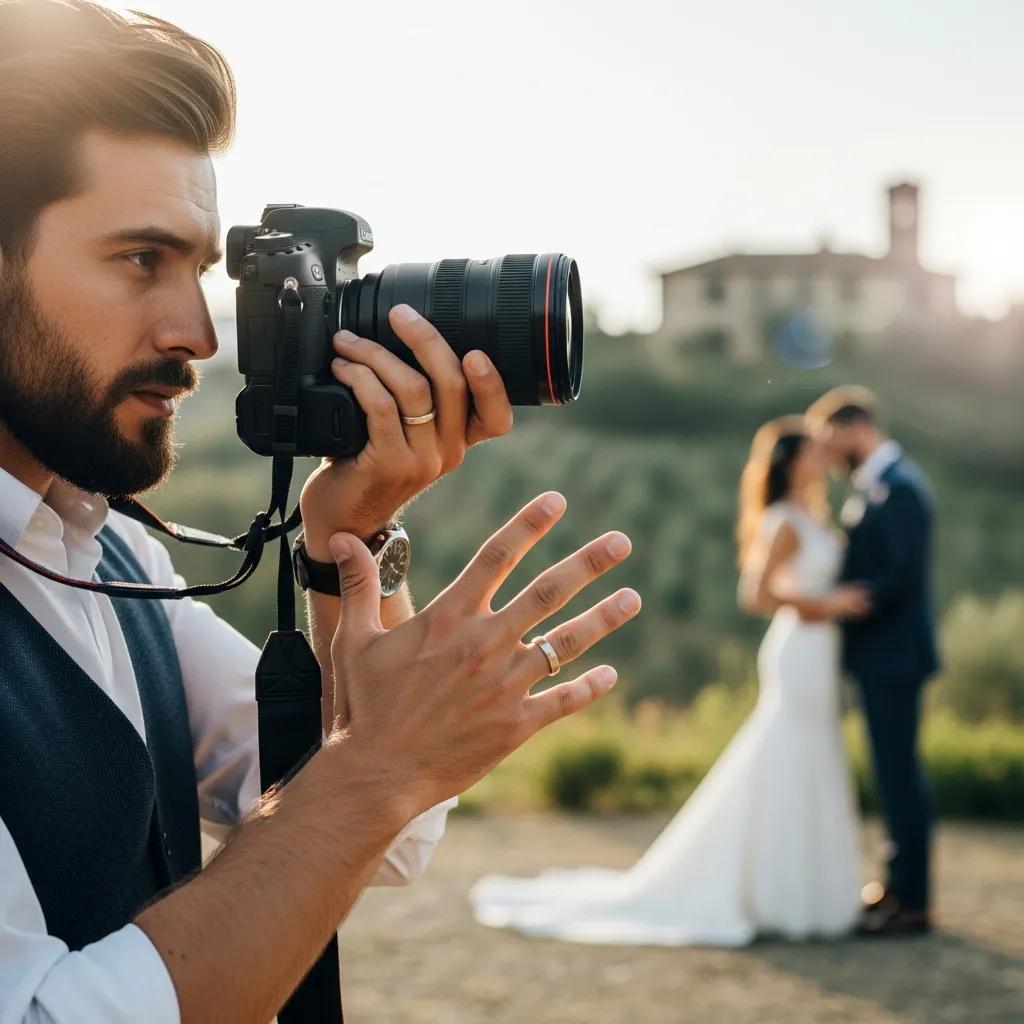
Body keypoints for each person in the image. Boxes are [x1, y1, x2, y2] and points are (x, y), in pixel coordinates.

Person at [0, 3, 641, 1021]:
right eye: (139, 261)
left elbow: (377, 834)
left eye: (202, 272)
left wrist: (349, 542)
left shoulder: (111, 556)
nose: (199, 335)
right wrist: (379, 765)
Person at [470, 416, 868, 945]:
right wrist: (828, 604)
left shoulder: (815, 516)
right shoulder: (784, 520)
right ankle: (777, 894)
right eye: (816, 452)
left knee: (813, 752)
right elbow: (756, 594)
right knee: (788, 750)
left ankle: (809, 891)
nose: (826, 459)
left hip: (822, 651)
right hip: (800, 646)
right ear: (794, 461)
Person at [807, 386, 938, 937]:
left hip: (895, 655)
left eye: (832, 439)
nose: (829, 453)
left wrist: (848, 599)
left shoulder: (902, 487)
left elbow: (902, 575)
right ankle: (895, 883)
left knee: (900, 775)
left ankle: (912, 902)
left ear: (856, 427)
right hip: (879, 655)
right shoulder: (877, 486)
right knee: (889, 774)